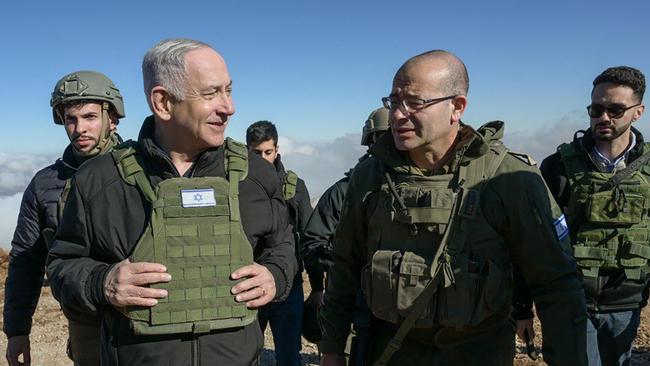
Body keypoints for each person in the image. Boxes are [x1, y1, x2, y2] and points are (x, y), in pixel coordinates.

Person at [318, 49, 588, 366]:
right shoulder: (370, 177)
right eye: (394, 102)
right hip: (391, 348)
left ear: (456, 107)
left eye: (415, 103)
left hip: (477, 352)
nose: (398, 114)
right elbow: (345, 266)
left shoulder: (511, 180)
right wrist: (332, 349)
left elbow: (557, 285)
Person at [46, 38, 297, 366]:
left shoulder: (257, 176)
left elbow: (282, 245)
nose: (229, 107)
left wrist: (275, 275)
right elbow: (62, 265)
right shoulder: (98, 181)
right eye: (211, 94)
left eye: (228, 90)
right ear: (163, 102)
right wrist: (102, 282)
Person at [4, 70, 125, 366]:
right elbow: (26, 260)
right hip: (86, 322)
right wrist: (17, 330)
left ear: (112, 119)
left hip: (148, 317)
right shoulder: (46, 184)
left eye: (90, 117)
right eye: (71, 119)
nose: (79, 128)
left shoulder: (145, 170)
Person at [539, 66, 647, 366]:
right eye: (596, 109)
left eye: (615, 110)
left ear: (638, 112)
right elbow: (533, 240)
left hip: (627, 302)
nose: (603, 117)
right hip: (570, 300)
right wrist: (522, 306)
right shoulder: (558, 167)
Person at [300, 107, 389, 364]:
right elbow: (313, 242)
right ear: (369, 142)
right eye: (380, 136)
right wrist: (345, 262)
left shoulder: (411, 188)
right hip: (353, 304)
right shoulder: (343, 191)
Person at [246, 120, 314, 366]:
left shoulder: (294, 188)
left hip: (288, 287)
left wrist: (317, 288)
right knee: (245, 356)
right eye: (256, 153)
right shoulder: (239, 189)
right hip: (248, 286)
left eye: (268, 152)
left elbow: (309, 237)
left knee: (288, 357)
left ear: (277, 150)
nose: (263, 158)